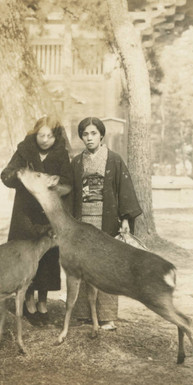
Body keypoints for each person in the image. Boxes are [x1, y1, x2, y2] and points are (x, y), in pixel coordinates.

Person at [71, 117, 142, 330]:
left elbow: (124, 192)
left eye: (93, 133)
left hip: (107, 220)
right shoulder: (76, 162)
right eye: (85, 134)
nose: (89, 138)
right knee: (83, 266)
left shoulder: (114, 160)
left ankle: (107, 316)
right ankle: (84, 314)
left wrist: (126, 219)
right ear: (81, 136)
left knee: (107, 268)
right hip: (83, 222)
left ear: (102, 135)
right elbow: (71, 195)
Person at [1, 116, 72, 325]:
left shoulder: (61, 154)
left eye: (50, 136)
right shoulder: (24, 151)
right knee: (26, 255)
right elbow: (6, 175)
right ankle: (28, 302)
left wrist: (56, 182)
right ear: (35, 134)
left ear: (55, 137)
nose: (45, 139)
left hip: (48, 212)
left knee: (48, 257)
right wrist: (21, 176)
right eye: (41, 135)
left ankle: (43, 302)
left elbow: (68, 182)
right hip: (25, 213)